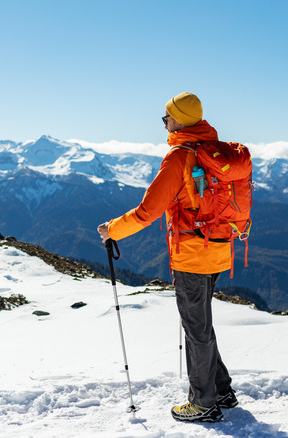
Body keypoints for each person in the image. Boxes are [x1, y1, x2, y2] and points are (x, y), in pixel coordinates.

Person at [97, 92, 238, 423]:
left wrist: (113, 230)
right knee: (200, 324)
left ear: (180, 120)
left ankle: (203, 403)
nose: (164, 124)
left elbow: (148, 211)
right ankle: (222, 391)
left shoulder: (179, 157)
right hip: (218, 247)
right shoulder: (214, 151)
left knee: (196, 329)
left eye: (166, 118)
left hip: (192, 254)